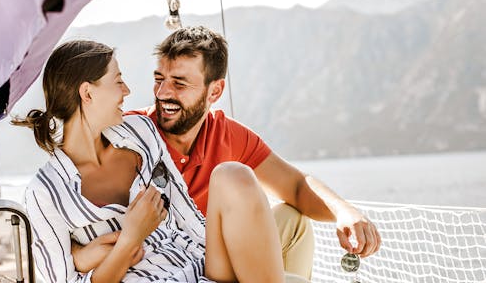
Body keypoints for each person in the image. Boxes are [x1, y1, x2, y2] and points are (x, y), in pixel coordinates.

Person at [74, 26, 381, 280]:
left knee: (294, 219)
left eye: (179, 83)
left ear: (215, 92)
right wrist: (82, 253)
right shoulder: (129, 135)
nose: (163, 93)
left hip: (215, 256)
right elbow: (73, 212)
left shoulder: (228, 134)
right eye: (159, 80)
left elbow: (298, 187)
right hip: (170, 267)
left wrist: (345, 212)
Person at [15, 40, 291, 283]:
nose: (127, 90)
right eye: (118, 80)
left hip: (199, 266)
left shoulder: (140, 131)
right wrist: (130, 239)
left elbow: (189, 217)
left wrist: (234, 257)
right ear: (87, 93)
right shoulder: (44, 193)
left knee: (233, 175)